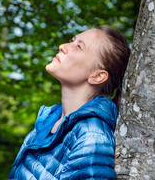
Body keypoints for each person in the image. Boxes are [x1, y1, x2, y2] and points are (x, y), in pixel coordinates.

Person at [8, 26, 131, 179]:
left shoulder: (91, 135)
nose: (63, 47)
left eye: (79, 46)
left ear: (97, 76)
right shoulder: (47, 121)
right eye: (72, 41)